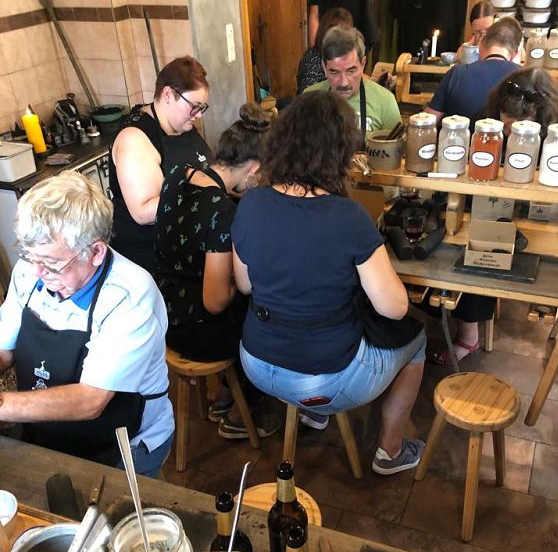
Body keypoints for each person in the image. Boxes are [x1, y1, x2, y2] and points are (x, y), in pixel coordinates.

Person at [231, 91, 426, 475]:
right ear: (340, 152)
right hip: (326, 377)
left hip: (257, 363)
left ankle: (314, 414)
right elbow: (394, 308)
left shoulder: (252, 203)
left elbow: (246, 285)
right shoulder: (348, 217)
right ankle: (390, 450)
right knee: (417, 339)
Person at [0, 171, 174, 477]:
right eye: (30, 256)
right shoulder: (31, 270)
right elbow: (4, 347)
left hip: (121, 445)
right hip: (47, 434)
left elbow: (90, 400)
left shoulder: (129, 296)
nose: (38, 272)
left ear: (95, 252)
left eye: (52, 263)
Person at [154, 103, 278, 440]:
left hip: (163, 312)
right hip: (193, 330)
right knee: (264, 314)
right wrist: (241, 280)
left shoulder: (177, 175)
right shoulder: (222, 213)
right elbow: (215, 301)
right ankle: (242, 412)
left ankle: (223, 396)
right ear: (254, 169)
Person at [432, 67, 558, 364]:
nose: (510, 124)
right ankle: (468, 332)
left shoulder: (554, 138)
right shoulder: (484, 123)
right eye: (506, 114)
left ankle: (469, 333)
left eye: (522, 118)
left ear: (540, 117)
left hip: (530, 211)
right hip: (483, 206)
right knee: (469, 249)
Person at [109, 56, 213, 274]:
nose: (198, 115)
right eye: (194, 107)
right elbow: (143, 212)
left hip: (186, 244)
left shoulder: (181, 123)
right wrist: (208, 190)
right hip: (151, 259)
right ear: (167, 94)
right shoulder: (135, 139)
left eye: (202, 108)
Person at [305, 26, 400, 140]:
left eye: (351, 71)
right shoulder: (308, 99)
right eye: (335, 72)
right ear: (324, 67)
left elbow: (396, 148)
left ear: (363, 64)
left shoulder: (385, 101)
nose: (344, 83)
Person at [426, 17, 522, 126]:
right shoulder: (524, 79)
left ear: (480, 45)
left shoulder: (457, 73)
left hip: (459, 137)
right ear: (514, 54)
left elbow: (427, 122)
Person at [297, 7, 353, 95]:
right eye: (339, 32)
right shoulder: (313, 59)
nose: (344, 37)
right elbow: (308, 97)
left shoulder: (343, 56)